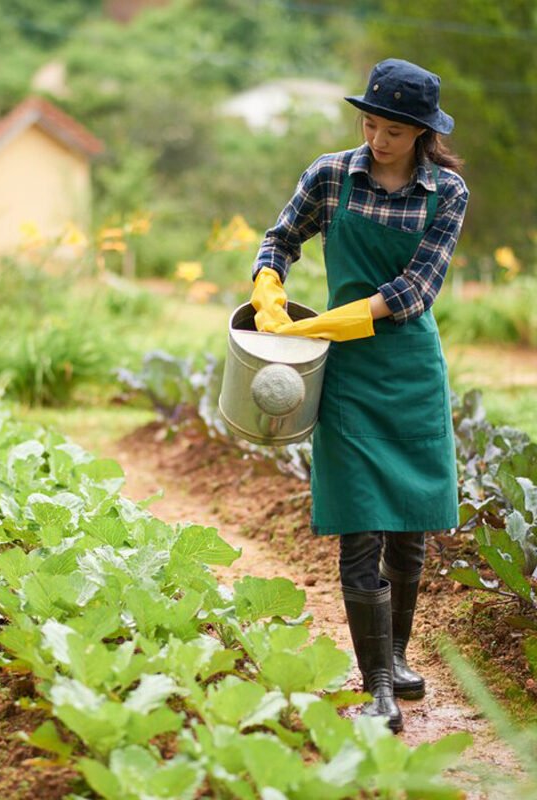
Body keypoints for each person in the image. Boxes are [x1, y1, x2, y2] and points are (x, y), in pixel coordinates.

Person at [250, 58, 469, 733]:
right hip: (343, 376)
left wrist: (324, 322)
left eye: (392, 132)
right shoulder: (329, 176)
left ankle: (397, 658)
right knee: (359, 524)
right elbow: (280, 239)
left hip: (407, 371)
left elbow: (413, 292)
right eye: (369, 123)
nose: (376, 140)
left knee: (408, 526)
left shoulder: (446, 193)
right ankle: (374, 683)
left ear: (422, 134)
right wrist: (268, 286)